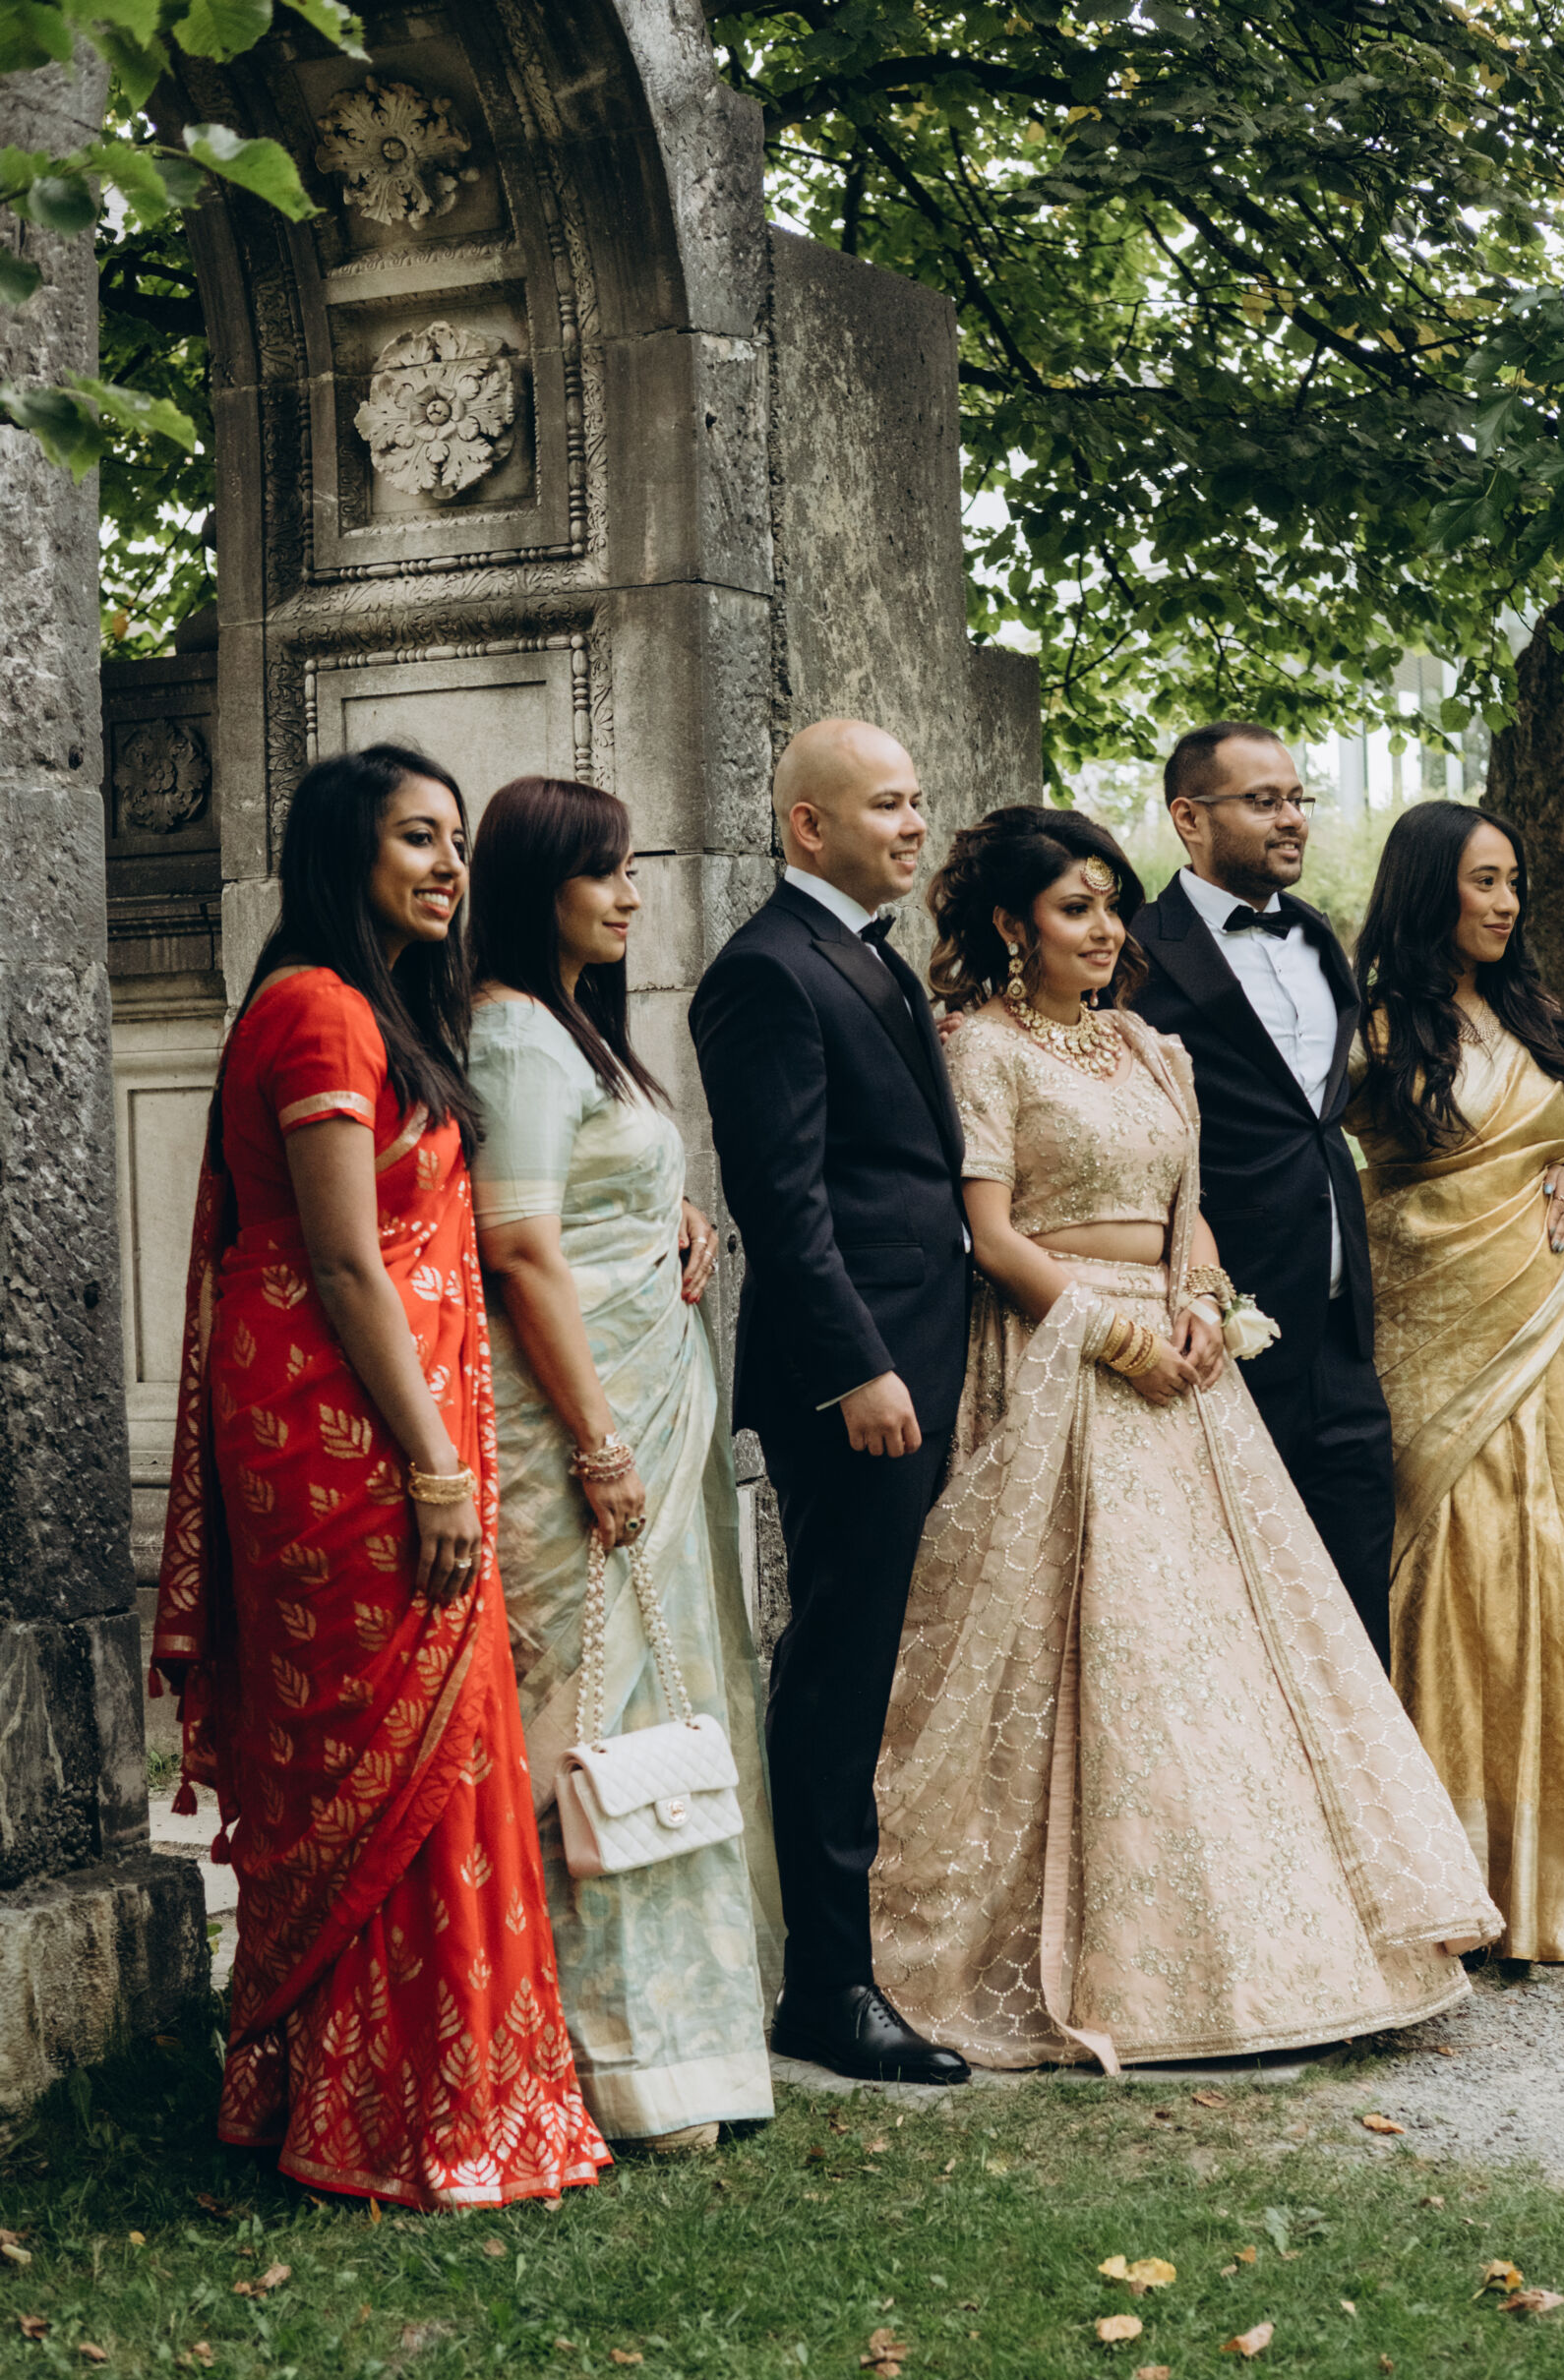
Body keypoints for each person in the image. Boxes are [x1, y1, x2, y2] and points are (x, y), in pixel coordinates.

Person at [869, 805, 1501, 2070]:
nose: (1107, 930)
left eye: (1111, 906)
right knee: (1100, 1651)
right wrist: (1111, 1335)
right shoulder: (982, 1049)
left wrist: (1205, 1303)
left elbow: (1188, 1211)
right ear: (1013, 926)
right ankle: (1122, 1959)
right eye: (1076, 909)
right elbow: (989, 1237)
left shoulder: (1152, 1049)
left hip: (1185, 1371)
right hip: (1059, 1358)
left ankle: (1280, 1952)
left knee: (1224, 1656)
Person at [150, 745, 609, 2210]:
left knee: (437, 1739)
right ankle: (395, 2110)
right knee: (394, 1745)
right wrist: (434, 1472)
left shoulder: (372, 1010)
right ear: (344, 852)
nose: (449, 867)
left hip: (371, 1421)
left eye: (458, 842)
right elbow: (347, 1261)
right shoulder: (317, 1012)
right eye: (418, 838)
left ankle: (378, 2094)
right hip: (340, 1440)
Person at [464, 776, 783, 2152]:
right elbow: (518, 1244)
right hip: (575, 1424)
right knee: (588, 1714)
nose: (632, 897)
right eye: (605, 873)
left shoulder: (570, 1030)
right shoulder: (511, 1033)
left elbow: (589, 1191)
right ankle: (593, 2056)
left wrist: (676, 1213)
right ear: (539, 885)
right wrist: (597, 1446)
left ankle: (681, 2045)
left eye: (636, 869)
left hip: (646, 1396)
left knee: (662, 1704)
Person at [690, 721, 972, 2086]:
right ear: (808, 825)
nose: (914, 825)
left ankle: (847, 1966)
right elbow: (784, 1204)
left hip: (919, 1352)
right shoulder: (765, 970)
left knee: (860, 1662)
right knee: (837, 1670)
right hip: (854, 1374)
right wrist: (860, 1366)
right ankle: (829, 1990)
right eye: (886, 805)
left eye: (919, 802)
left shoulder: (869, 953)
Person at [1347, 803, 1564, 1962]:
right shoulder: (1374, 1032)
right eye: (1484, 880)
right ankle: (1438, 1872)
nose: (1507, 902)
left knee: (1550, 1571)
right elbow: (1323, 1169)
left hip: (1551, 1339)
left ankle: (1551, 1880)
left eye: (1514, 881)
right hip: (1435, 1339)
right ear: (1430, 886)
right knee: (1459, 1575)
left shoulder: (1532, 1012)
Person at [1130, 724, 1396, 1664]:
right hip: (1221, 1324)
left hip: (1342, 1325)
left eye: (1297, 799)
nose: (1292, 819)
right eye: (1264, 800)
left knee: (1360, 1590)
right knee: (1237, 1602)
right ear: (1189, 818)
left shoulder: (1317, 933)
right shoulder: (1135, 951)